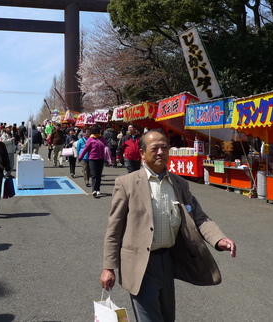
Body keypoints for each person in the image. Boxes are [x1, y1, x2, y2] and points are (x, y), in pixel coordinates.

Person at [100, 129, 236, 322]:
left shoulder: (179, 183)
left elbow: (199, 216)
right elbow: (114, 229)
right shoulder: (127, 183)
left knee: (167, 317)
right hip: (141, 263)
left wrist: (219, 239)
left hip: (168, 259)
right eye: (155, 148)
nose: (160, 152)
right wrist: (108, 267)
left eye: (164, 148)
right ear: (142, 154)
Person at [78, 124, 108, 198]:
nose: (100, 131)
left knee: (99, 175)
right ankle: (94, 190)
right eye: (99, 130)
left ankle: (98, 189)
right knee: (94, 175)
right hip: (92, 159)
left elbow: (106, 145)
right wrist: (80, 157)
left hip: (101, 159)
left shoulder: (102, 138)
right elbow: (85, 149)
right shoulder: (90, 140)